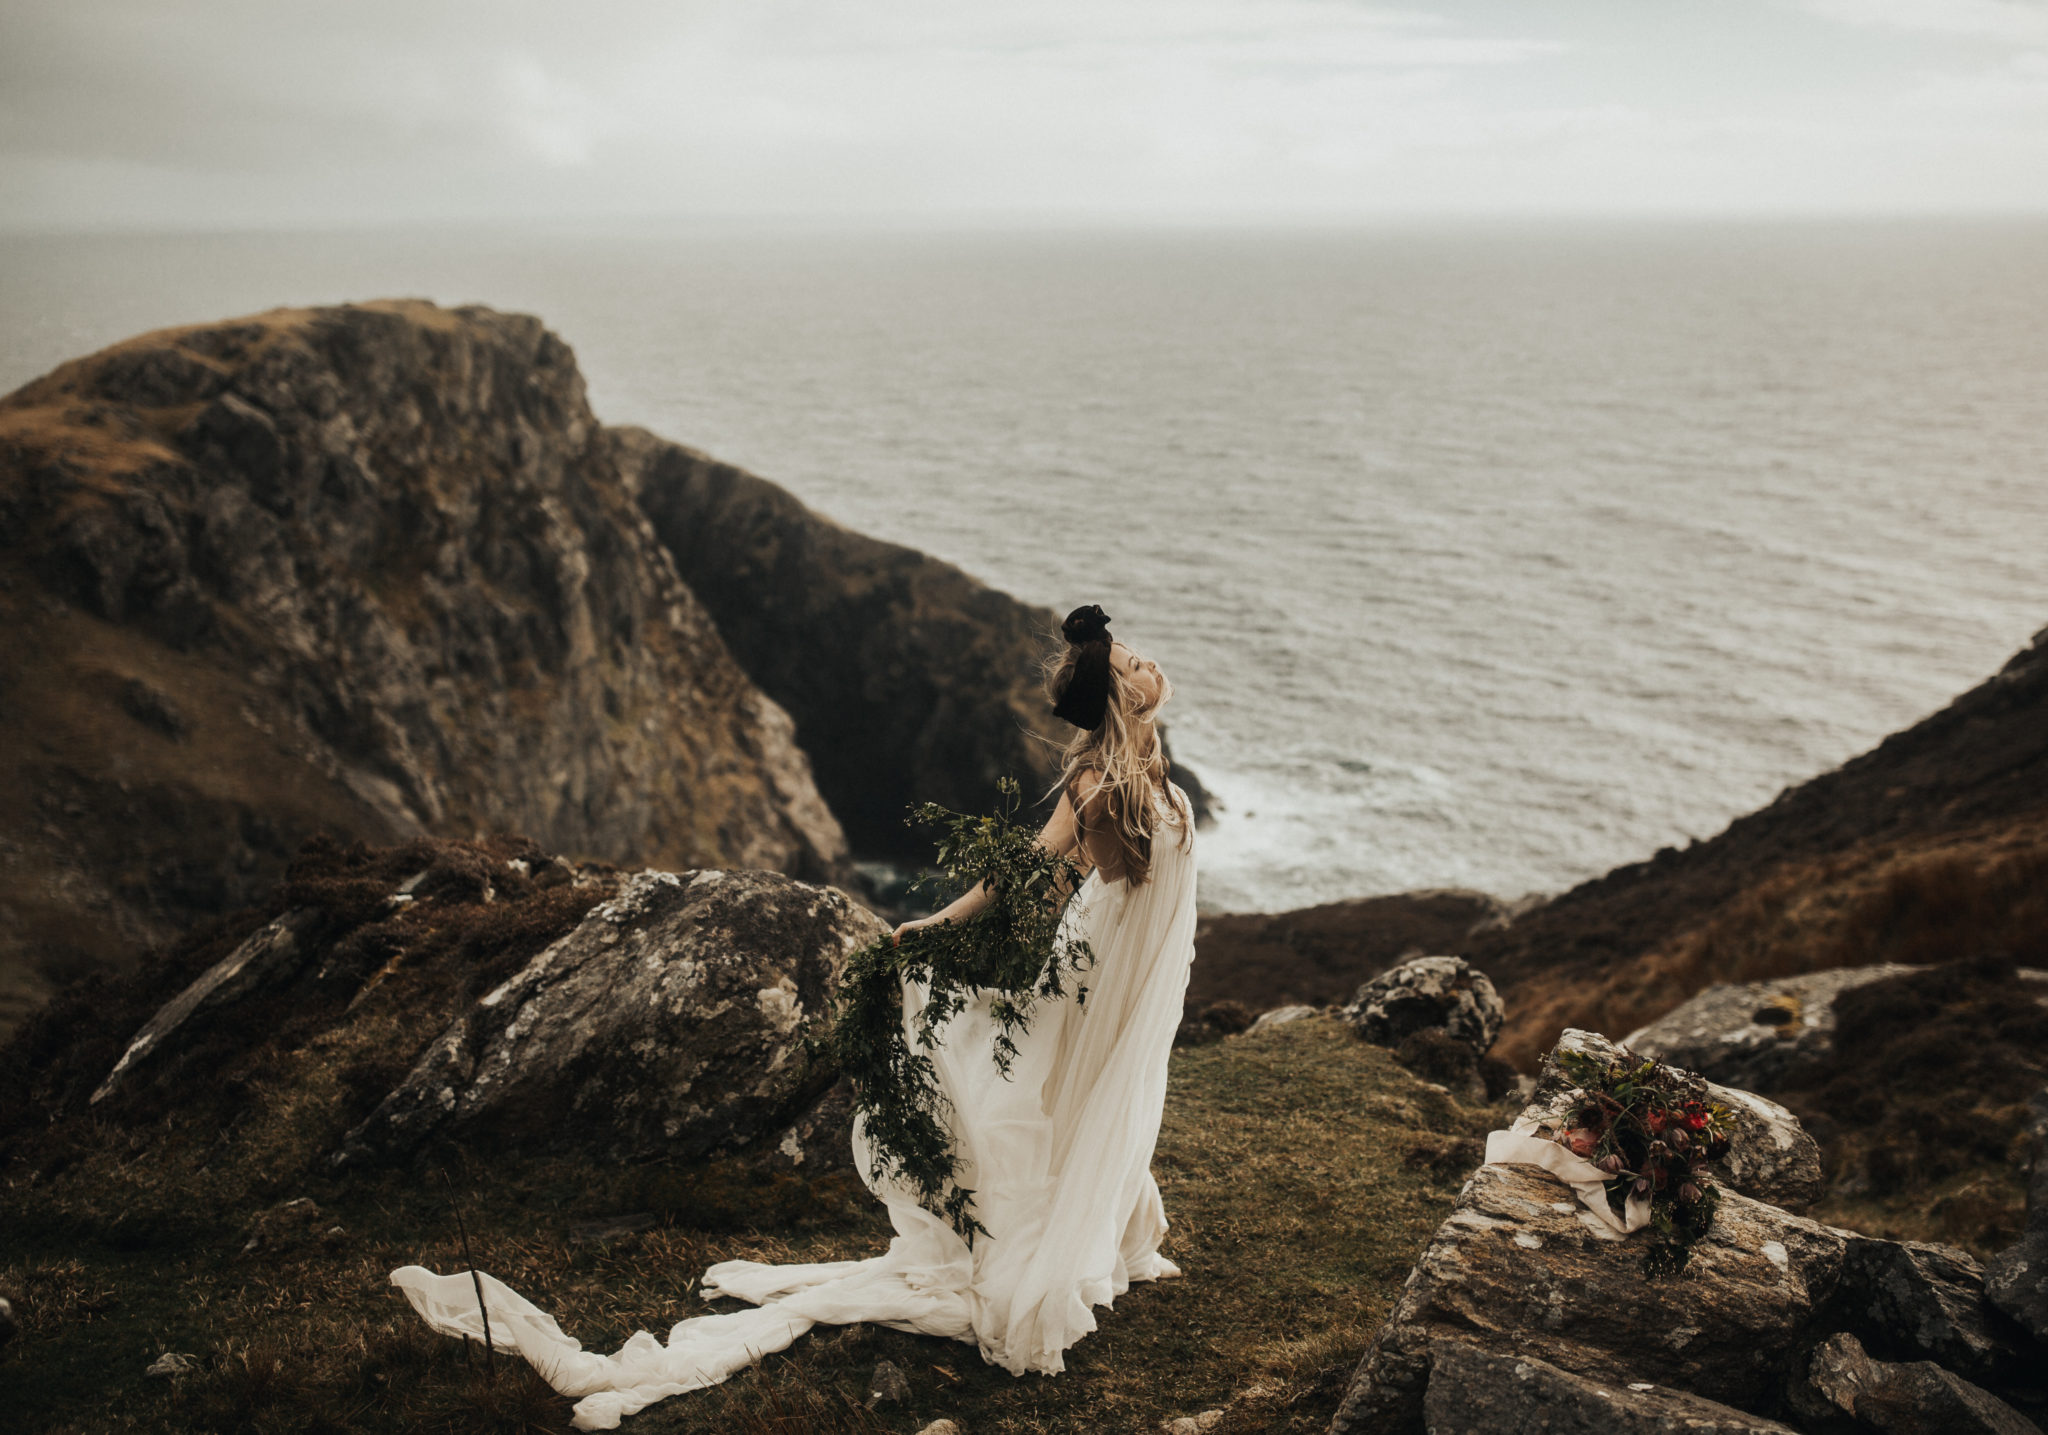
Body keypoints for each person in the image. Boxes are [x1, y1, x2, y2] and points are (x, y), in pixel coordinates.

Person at [387, 604, 1199, 1430]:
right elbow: (1029, 866)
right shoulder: (1097, 783)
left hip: (1144, 956)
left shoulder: (1147, 759)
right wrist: (940, 924)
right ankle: (1056, 1238)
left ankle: (1118, 1229)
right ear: (1117, 697)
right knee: (1077, 1083)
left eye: (1139, 658)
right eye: (1132, 664)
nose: (1149, 667)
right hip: (1110, 957)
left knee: (1111, 1082)